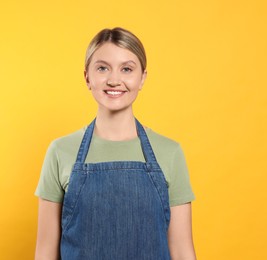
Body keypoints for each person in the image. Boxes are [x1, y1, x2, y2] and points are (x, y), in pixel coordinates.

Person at [34, 27, 196, 260]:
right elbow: (45, 252)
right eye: (102, 68)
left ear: (142, 78)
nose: (114, 80)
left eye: (127, 69)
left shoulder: (170, 152)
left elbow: (181, 251)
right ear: (87, 77)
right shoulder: (60, 152)